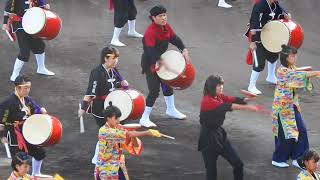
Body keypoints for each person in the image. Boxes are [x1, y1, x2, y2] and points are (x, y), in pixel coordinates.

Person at [198, 74, 268, 180]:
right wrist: (250, 108)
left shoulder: (218, 96)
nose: (221, 87)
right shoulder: (207, 101)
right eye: (218, 85)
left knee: (238, 164)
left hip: (219, 134)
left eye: (222, 85)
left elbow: (232, 99)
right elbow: (231, 106)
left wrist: (248, 99)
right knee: (211, 173)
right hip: (208, 139)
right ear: (212, 87)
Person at [139, 5, 190, 128]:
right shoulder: (150, 32)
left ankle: (171, 110)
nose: (164, 18)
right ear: (153, 18)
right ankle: (144, 118)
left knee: (167, 85)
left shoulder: (166, 27)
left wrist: (184, 49)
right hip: (151, 64)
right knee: (154, 91)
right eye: (160, 16)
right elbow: (150, 52)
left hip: (162, 60)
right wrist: (162, 63)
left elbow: (174, 38)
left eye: (165, 15)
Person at [271, 45, 320, 168]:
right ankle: (277, 159)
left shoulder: (292, 68)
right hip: (282, 109)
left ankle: (298, 159)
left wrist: (308, 72)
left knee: (301, 131)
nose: (295, 57)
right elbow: (299, 76)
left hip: (292, 106)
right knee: (286, 135)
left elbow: (298, 74)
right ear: (286, 58)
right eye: (292, 56)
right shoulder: (282, 71)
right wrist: (317, 72)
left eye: (295, 55)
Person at [78, 46, 129, 165]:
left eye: (117, 58)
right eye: (113, 58)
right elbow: (91, 92)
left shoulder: (113, 70)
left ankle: (106, 155)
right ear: (106, 58)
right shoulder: (97, 72)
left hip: (112, 106)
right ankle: (97, 158)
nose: (116, 60)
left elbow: (113, 83)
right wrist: (84, 108)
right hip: (100, 108)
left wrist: (122, 84)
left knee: (113, 131)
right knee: (107, 132)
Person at [0, 76, 52, 177]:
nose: (28, 90)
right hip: (14, 135)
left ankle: (36, 173)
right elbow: (1, 122)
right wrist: (2, 136)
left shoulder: (27, 100)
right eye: (25, 88)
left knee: (40, 153)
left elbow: (35, 110)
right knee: (19, 162)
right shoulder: (8, 103)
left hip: (28, 132)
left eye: (29, 87)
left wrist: (41, 111)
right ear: (17, 88)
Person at [95, 102, 161, 180]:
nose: (118, 120)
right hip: (106, 169)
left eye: (119, 118)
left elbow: (133, 141)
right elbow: (128, 134)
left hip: (117, 167)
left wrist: (133, 133)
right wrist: (147, 132)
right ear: (108, 118)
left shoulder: (117, 127)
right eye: (116, 118)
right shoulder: (105, 131)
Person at [2, 0, 55, 81]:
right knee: (24, 52)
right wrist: (5, 23)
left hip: (32, 24)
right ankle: (14, 75)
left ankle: (41, 68)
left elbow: (40, 4)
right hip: (20, 25)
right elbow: (7, 9)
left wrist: (45, 6)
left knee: (40, 46)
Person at [247, 0, 290, 94]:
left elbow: (277, 17)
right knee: (259, 62)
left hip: (270, 35)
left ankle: (271, 76)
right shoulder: (259, 5)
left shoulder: (276, 5)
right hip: (258, 36)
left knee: (273, 55)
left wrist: (285, 16)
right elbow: (254, 23)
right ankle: (251, 86)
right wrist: (253, 41)